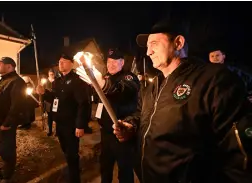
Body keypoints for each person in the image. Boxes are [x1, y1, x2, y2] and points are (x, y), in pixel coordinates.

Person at [113, 19, 252, 182]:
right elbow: (141, 115)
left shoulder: (213, 80)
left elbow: (241, 156)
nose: (148, 52)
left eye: (155, 44)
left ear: (178, 43)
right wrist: (131, 125)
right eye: (147, 46)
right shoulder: (152, 86)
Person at [75, 48, 139, 183]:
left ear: (122, 63)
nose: (111, 64)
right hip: (105, 134)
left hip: (122, 133)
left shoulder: (128, 77)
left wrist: (104, 85)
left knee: (125, 169)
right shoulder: (105, 77)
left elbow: (123, 90)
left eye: (115, 61)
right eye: (109, 61)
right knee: (105, 166)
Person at [36, 53, 91, 183]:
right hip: (60, 123)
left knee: (72, 154)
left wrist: (80, 125)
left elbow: (83, 104)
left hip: (71, 124)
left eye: (64, 61)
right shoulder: (57, 82)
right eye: (59, 61)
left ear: (72, 63)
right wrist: (44, 93)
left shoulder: (78, 81)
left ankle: (74, 178)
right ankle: (73, 171)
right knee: (66, 151)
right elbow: (56, 99)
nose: (61, 63)